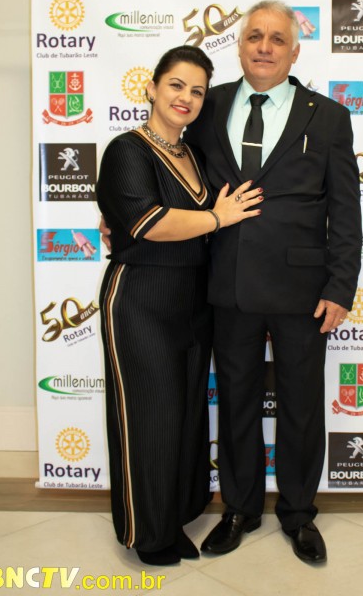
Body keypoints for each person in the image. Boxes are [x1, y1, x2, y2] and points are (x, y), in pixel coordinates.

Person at [184, 0, 362, 564]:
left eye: (277, 38)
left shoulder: (328, 117)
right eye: (254, 36)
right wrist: (124, 213)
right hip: (227, 282)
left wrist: (340, 287)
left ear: (294, 52)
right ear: (239, 47)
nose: (264, 46)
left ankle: (299, 512)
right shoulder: (207, 106)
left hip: (303, 291)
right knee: (236, 399)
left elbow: (346, 210)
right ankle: (238, 509)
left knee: (302, 406)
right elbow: (173, 173)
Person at [96, 45, 262, 566]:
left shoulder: (194, 155)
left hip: (194, 299)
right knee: (148, 417)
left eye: (196, 90)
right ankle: (147, 534)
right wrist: (218, 218)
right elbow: (149, 222)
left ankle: (174, 517)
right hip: (141, 299)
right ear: (151, 87)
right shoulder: (127, 150)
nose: (185, 97)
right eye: (175, 85)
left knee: (185, 416)